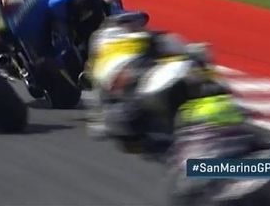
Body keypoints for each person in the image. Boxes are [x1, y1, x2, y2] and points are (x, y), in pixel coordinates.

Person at [82, 12, 217, 154]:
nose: (136, 26)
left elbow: (93, 84)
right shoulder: (142, 37)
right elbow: (182, 48)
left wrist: (97, 119)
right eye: (132, 23)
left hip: (130, 87)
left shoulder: (101, 42)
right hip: (135, 84)